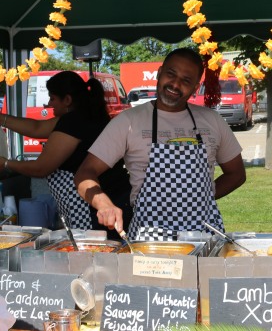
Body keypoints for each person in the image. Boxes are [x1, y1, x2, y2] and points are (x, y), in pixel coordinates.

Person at [75, 48, 246, 241]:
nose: (175, 84)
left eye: (186, 80)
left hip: (203, 236)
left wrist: (201, 200)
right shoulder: (129, 121)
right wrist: (103, 203)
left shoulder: (212, 120)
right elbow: (85, 173)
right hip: (150, 239)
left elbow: (236, 174)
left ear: (196, 87)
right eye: (171, 74)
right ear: (160, 72)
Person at [0, 71, 132, 238]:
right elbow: (36, 128)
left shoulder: (74, 121)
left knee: (94, 254)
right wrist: (2, 119)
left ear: (68, 100)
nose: (49, 103)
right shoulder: (87, 116)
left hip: (96, 208)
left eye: (52, 98)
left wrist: (6, 163)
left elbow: (41, 168)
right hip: (115, 200)